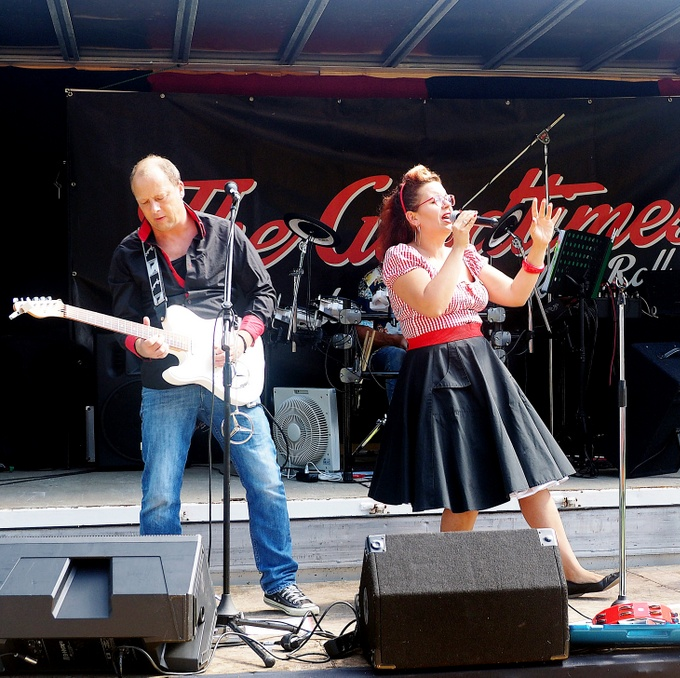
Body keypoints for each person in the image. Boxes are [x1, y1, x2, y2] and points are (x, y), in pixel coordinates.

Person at [367, 164, 617, 596]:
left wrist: (538, 247)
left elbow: (516, 294)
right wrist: (458, 247)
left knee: (532, 473)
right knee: (465, 488)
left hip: (480, 362)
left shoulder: (465, 255)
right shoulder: (401, 257)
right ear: (413, 216)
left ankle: (570, 571)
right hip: (439, 368)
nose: (447, 205)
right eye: (434, 201)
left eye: (447, 197)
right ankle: (446, 583)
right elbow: (432, 303)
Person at [108, 154, 318, 616]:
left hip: (230, 373)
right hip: (166, 380)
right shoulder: (129, 252)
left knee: (265, 481)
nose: (154, 209)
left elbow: (263, 294)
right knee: (160, 492)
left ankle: (280, 582)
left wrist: (242, 337)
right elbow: (124, 321)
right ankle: (163, 594)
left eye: (161, 197)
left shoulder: (225, 234)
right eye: (144, 202)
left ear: (180, 188)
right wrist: (140, 344)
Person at [355, 265, 407, 402]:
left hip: (421, 347)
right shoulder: (373, 278)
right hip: (382, 351)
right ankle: (399, 415)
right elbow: (361, 330)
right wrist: (395, 340)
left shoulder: (424, 274)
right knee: (396, 355)